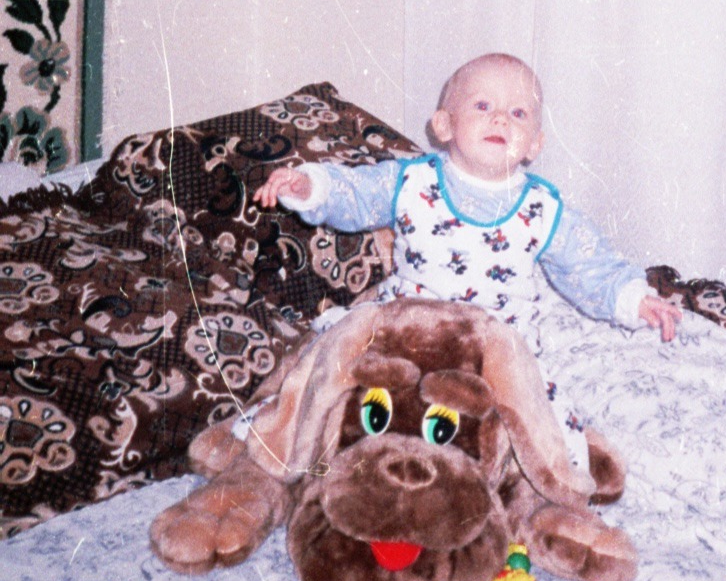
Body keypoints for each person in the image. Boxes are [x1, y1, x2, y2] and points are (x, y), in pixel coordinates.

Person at [254, 54, 682, 463]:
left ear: (535, 143)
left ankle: (556, 495)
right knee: (327, 371)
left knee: (544, 427)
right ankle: (270, 447)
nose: (501, 119)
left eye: (519, 114)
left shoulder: (545, 208)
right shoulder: (410, 180)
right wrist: (309, 187)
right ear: (444, 125)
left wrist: (633, 298)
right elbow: (356, 195)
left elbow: (590, 266)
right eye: (483, 105)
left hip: (494, 349)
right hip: (407, 330)